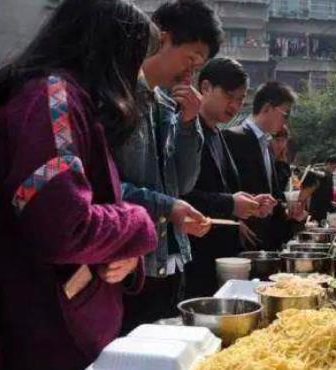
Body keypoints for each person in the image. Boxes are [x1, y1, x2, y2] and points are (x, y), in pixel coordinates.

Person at [0, 1, 158, 369]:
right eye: (137, 60)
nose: (140, 76)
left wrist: (125, 252)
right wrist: (139, 223)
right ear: (112, 52)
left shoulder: (63, 99)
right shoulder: (50, 101)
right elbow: (65, 228)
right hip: (43, 340)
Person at [112, 0, 222, 333]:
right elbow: (105, 184)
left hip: (170, 260)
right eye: (190, 59)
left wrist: (190, 125)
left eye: (199, 65)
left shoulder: (166, 104)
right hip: (128, 265)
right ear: (164, 38)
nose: (191, 72)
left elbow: (184, 182)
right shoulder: (118, 97)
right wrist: (166, 205)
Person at [183, 57, 268, 297]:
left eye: (240, 100)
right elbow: (180, 194)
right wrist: (231, 204)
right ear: (206, 87)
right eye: (230, 96)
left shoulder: (217, 133)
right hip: (195, 258)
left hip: (221, 257)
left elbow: (224, 190)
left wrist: (250, 203)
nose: (235, 106)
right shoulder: (185, 130)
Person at [224, 81, 305, 250]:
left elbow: (270, 193)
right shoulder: (233, 137)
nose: (285, 122)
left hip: (264, 238)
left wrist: (287, 210)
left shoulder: (265, 145)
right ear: (267, 108)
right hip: (241, 238)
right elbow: (222, 187)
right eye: (285, 114)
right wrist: (233, 221)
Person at [309, 157, 336, 222]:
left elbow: (330, 190)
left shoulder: (330, 175)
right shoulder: (319, 173)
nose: (334, 169)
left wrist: (331, 201)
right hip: (316, 204)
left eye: (335, 168)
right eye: (333, 167)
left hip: (325, 205)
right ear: (328, 164)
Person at [271, 125, 292, 191]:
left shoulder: (284, 164)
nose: (280, 144)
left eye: (283, 141)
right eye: (277, 140)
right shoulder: (267, 161)